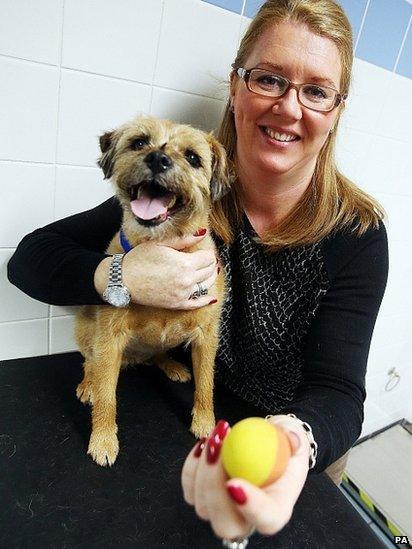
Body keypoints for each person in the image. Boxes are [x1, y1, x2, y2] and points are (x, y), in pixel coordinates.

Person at [7, 0, 388, 545]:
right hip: (195, 419)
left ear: (336, 110)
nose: (289, 107)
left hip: (301, 447)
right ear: (236, 87)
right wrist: (121, 276)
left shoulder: (356, 235)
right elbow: (31, 258)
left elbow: (340, 393)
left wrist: (293, 442)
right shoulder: (174, 195)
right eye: (269, 79)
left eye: (317, 91)